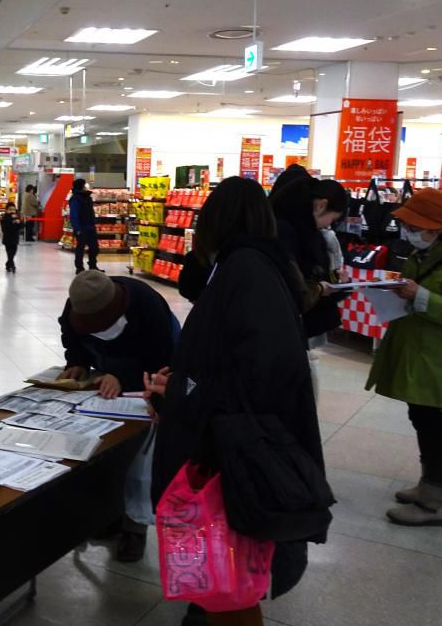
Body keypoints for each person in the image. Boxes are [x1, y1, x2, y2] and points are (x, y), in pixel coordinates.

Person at [145, 177, 325, 626]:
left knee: (234, 551)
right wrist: (184, 380)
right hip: (234, 435)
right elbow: (229, 354)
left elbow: (260, 372)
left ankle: (218, 609)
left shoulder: (246, 269)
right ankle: (207, 605)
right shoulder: (250, 264)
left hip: (236, 445)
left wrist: (189, 392)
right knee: (224, 554)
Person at [366, 189, 442, 527]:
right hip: (423, 355)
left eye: (415, 226)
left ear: (441, 227)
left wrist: (419, 296)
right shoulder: (427, 255)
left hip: (440, 361)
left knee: (436, 427)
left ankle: (434, 501)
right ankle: (430, 484)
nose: (409, 232)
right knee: (423, 420)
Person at [58, 270, 178, 562]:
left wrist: (122, 377)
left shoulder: (148, 307)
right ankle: (108, 514)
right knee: (103, 446)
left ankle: (134, 528)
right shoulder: (77, 304)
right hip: (106, 385)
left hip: (148, 381)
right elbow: (73, 339)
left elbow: (161, 363)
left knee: (139, 454)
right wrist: (77, 363)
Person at [270, 176, 349, 345]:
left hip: (301, 324)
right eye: (332, 219)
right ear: (321, 205)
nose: (329, 225)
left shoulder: (305, 231)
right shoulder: (290, 232)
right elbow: (293, 286)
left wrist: (337, 283)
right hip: (290, 327)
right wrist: (320, 287)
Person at [68, 178, 101, 273]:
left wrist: (94, 222)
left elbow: (91, 212)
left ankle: (93, 265)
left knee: (94, 247)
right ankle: (79, 267)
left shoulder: (87, 197)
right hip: (81, 228)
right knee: (80, 248)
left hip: (90, 226)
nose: (86, 187)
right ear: (82, 186)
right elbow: (74, 215)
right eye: (85, 185)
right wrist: (77, 229)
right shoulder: (75, 199)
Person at [0, 202, 22, 273]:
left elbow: (21, 226)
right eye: (10, 209)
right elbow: (4, 227)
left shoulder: (17, 216)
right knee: (9, 252)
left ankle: (8, 264)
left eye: (13, 209)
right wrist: (11, 220)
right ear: (6, 210)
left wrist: (19, 222)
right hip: (7, 238)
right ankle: (12, 266)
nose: (12, 211)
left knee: (14, 252)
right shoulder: (4, 217)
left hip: (15, 238)